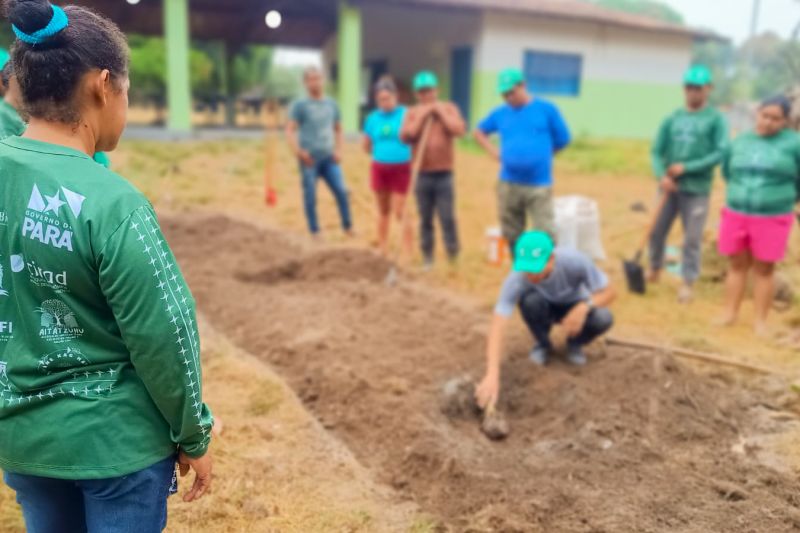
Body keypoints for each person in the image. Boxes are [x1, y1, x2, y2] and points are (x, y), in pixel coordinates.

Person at [0, 1, 213, 531]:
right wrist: (194, 434)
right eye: (127, 89)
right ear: (102, 86)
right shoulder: (116, 205)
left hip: (24, 440)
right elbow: (165, 335)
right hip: (116, 448)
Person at [475, 231, 616, 410]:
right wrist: (492, 374)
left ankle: (574, 343)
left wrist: (583, 307)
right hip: (543, 306)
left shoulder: (574, 261)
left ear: (551, 259)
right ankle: (543, 344)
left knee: (603, 318)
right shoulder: (518, 278)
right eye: (527, 269)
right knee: (530, 302)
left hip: (575, 306)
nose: (530, 275)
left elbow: (611, 292)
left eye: (536, 269)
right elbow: (497, 325)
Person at [717, 96, 800, 336]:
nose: (769, 122)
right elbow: (727, 171)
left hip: (773, 216)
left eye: (776, 118)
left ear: (785, 121)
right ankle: (729, 314)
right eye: (765, 115)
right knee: (736, 264)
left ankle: (760, 322)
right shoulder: (740, 141)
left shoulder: (793, 144)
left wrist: (785, 199)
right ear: (757, 113)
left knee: (764, 269)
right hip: (737, 212)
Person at [649, 65, 728, 303]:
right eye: (690, 88)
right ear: (684, 89)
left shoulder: (716, 119)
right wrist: (661, 175)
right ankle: (654, 269)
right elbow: (655, 151)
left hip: (697, 190)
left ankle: (687, 281)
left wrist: (688, 167)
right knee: (656, 230)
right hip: (668, 188)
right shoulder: (673, 118)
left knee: (692, 238)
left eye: (699, 88)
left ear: (709, 89)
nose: (694, 93)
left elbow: (721, 152)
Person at [474, 68, 571, 254]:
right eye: (504, 94)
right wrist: (493, 152)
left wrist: (542, 155)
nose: (508, 97)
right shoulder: (500, 113)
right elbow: (479, 132)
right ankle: (519, 270)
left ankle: (545, 272)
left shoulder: (546, 109)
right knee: (511, 232)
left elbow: (563, 139)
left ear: (523, 85)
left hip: (539, 184)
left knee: (545, 232)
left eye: (512, 92)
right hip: (509, 182)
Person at [400, 70, 465, 269]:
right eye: (421, 92)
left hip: (444, 174)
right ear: (417, 94)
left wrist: (439, 113)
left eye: (429, 91)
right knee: (425, 218)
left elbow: (458, 130)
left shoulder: (449, 108)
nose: (426, 95)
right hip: (422, 174)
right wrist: (424, 115)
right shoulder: (412, 112)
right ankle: (428, 257)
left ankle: (452, 254)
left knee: (447, 217)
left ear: (436, 90)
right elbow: (406, 135)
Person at [286, 66, 353, 239]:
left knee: (341, 191)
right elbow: (290, 130)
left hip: (329, 157)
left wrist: (339, 151)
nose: (315, 82)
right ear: (305, 83)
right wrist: (299, 153)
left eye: (318, 78)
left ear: (323, 80)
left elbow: (338, 130)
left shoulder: (332, 104)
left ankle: (347, 226)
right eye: (311, 79)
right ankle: (315, 230)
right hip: (309, 159)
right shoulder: (300, 105)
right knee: (310, 195)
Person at [362, 76, 412, 256]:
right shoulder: (372, 119)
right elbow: (366, 145)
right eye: (381, 99)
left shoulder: (407, 114)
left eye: (388, 98)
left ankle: (407, 249)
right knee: (383, 210)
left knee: (400, 210)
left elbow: (415, 135)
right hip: (380, 168)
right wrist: (379, 153)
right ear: (376, 100)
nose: (384, 103)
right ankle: (382, 247)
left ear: (396, 96)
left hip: (402, 168)